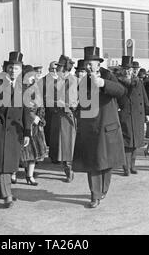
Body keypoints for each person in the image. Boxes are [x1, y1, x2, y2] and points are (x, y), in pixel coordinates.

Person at [73, 46, 127, 209]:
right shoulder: (83, 81)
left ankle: (103, 190)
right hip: (90, 128)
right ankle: (94, 195)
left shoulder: (107, 75)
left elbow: (121, 91)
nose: (89, 67)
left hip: (107, 126)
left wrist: (103, 83)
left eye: (91, 64)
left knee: (106, 162)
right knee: (93, 163)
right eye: (86, 64)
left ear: (98, 64)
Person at [0, 51, 32, 208]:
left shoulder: (24, 87)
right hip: (0, 129)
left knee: (10, 163)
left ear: (21, 70)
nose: (13, 70)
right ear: (6, 68)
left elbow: (27, 111)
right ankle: (7, 194)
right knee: (2, 163)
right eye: (11, 67)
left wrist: (27, 131)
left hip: (16, 130)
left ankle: (3, 191)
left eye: (16, 68)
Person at [117, 57, 149, 175]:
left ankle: (132, 166)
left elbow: (144, 98)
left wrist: (147, 113)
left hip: (137, 115)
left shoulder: (138, 81)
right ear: (122, 70)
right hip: (125, 115)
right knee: (127, 142)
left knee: (136, 142)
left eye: (129, 69)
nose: (127, 71)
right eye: (125, 69)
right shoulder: (118, 81)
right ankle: (126, 167)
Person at [15, 65, 47, 186]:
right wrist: (32, 117)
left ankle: (30, 175)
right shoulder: (19, 89)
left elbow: (41, 105)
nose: (31, 78)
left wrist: (40, 118)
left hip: (35, 125)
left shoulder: (36, 88)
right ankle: (13, 173)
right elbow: (21, 108)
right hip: (23, 123)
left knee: (34, 152)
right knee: (20, 150)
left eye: (32, 76)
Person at [48, 55, 78, 183]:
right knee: (60, 144)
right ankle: (67, 168)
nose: (57, 69)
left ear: (65, 69)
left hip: (68, 116)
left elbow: (76, 101)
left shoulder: (72, 80)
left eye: (59, 67)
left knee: (68, 145)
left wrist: (66, 104)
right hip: (58, 116)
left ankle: (69, 170)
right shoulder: (57, 81)